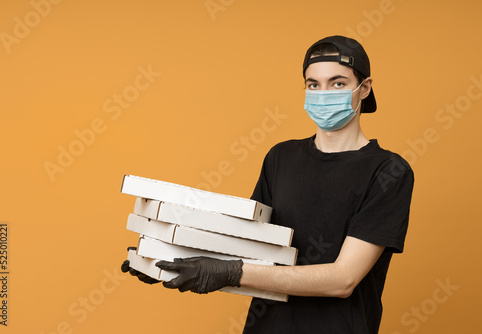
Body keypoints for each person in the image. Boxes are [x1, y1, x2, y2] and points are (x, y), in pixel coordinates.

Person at [121, 35, 415, 334]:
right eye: (313, 84)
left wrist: (230, 272)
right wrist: (168, 260)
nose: (323, 93)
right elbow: (248, 249)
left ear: (364, 88)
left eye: (337, 83)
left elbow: (343, 280)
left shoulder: (388, 171)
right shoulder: (281, 157)